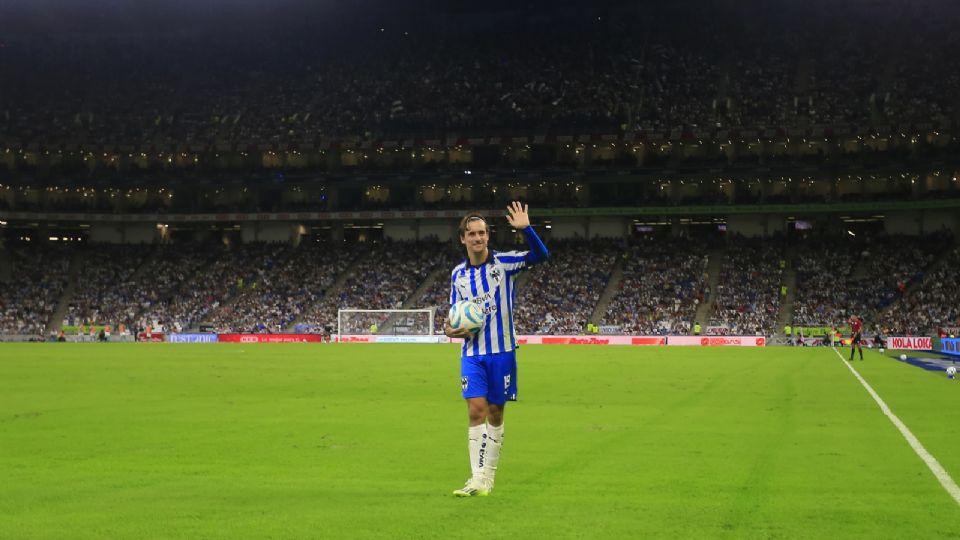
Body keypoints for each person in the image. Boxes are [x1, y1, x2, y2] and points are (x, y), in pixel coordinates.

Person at [446, 202, 549, 497]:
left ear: (488, 236)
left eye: (482, 233)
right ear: (463, 239)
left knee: (495, 413)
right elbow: (453, 315)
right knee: (475, 411)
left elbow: (541, 255)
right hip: (472, 353)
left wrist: (526, 229)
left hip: (502, 351)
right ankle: (476, 479)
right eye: (472, 234)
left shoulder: (504, 264)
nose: (478, 238)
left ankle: (488, 477)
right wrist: (449, 330)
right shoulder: (458, 275)